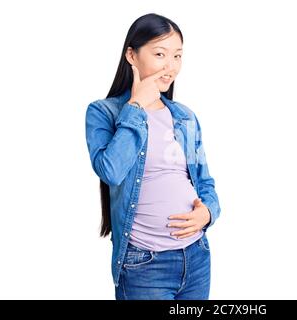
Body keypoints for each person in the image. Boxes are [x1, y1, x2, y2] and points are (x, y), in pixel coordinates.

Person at [84, 13, 221, 300]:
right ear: (131, 55)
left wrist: (207, 213)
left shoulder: (184, 117)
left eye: (177, 56)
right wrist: (136, 106)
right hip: (145, 265)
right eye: (160, 54)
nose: (170, 67)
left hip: (196, 257)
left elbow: (204, 181)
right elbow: (110, 170)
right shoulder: (103, 113)